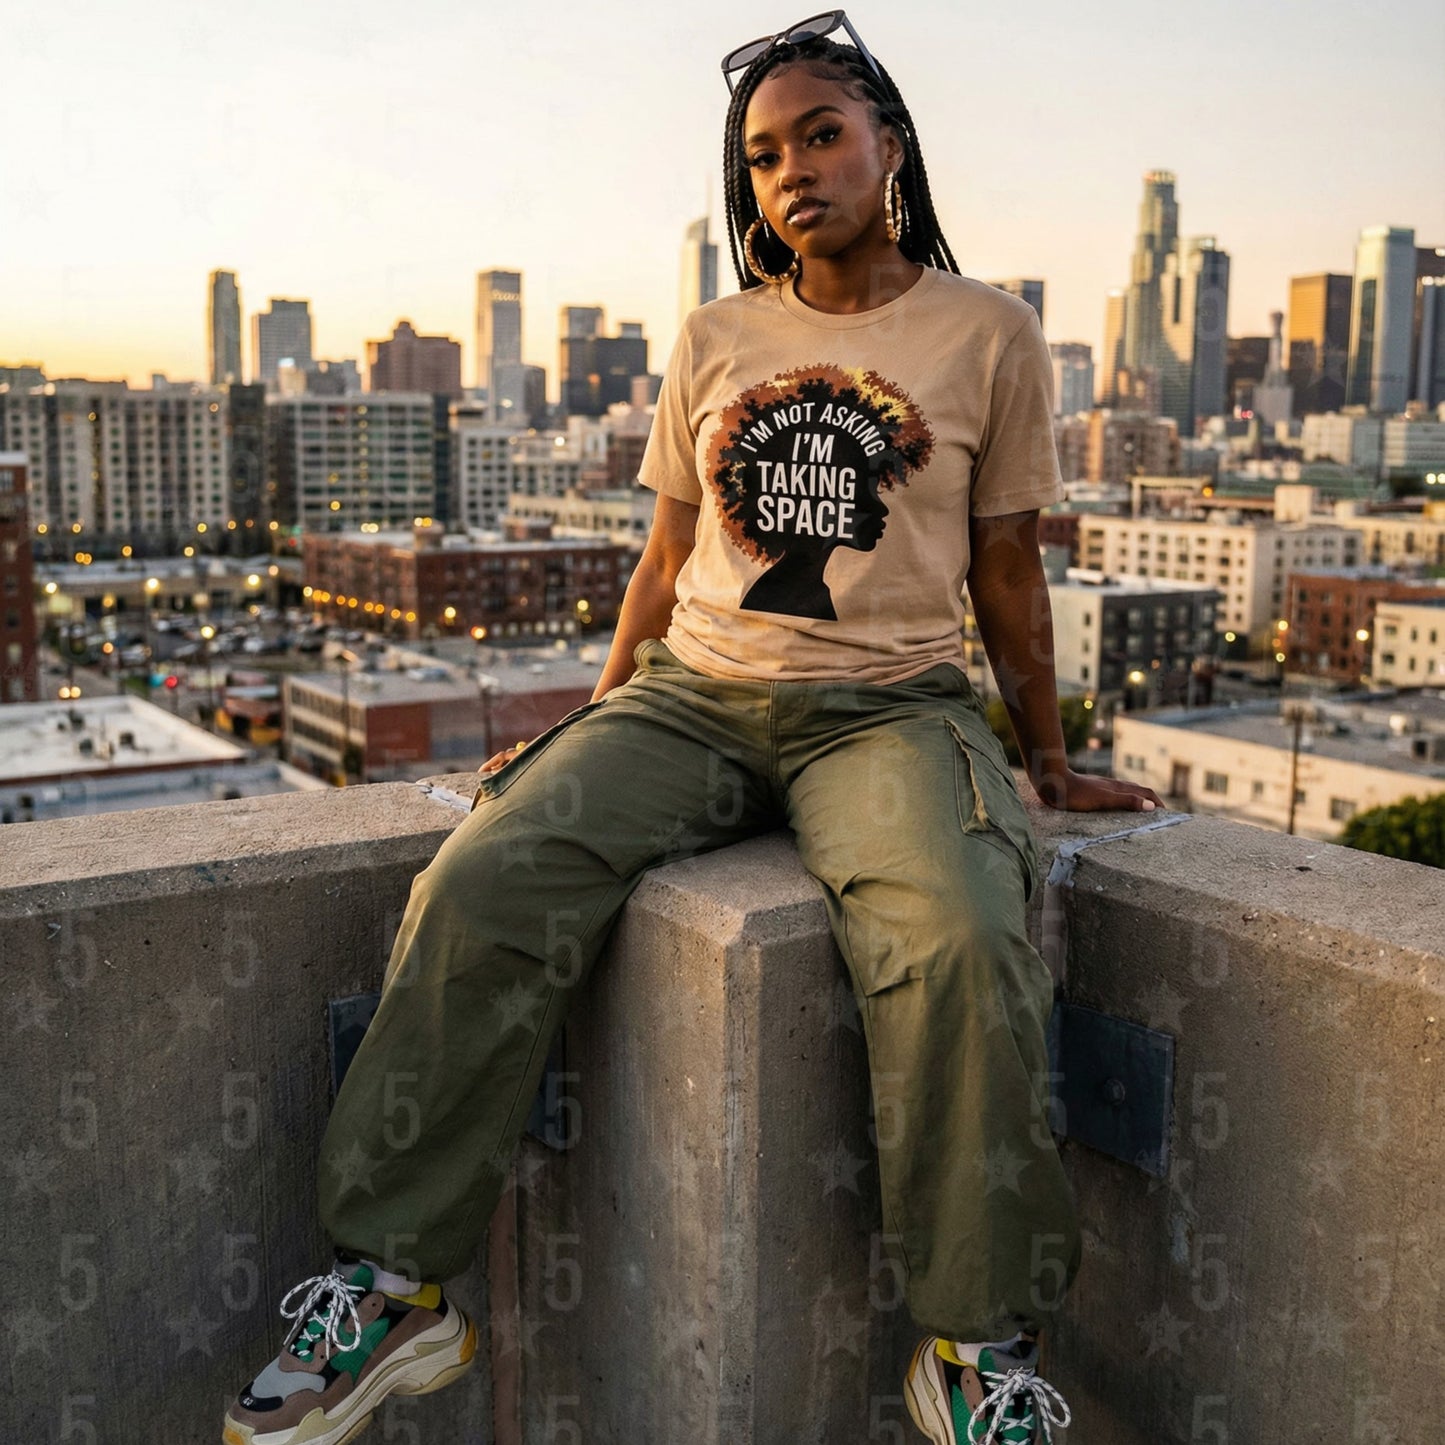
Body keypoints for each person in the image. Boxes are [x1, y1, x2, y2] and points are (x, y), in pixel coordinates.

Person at [223, 14, 1163, 1445]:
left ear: (890, 145)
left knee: (962, 935)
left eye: (821, 135)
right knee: (484, 876)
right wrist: (593, 726)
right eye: (763, 156)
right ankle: (397, 1286)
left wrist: (1044, 761)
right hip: (692, 696)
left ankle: (976, 1347)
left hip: (888, 711)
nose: (792, 173)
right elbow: (666, 559)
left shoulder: (987, 333)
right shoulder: (717, 338)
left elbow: (1008, 570)